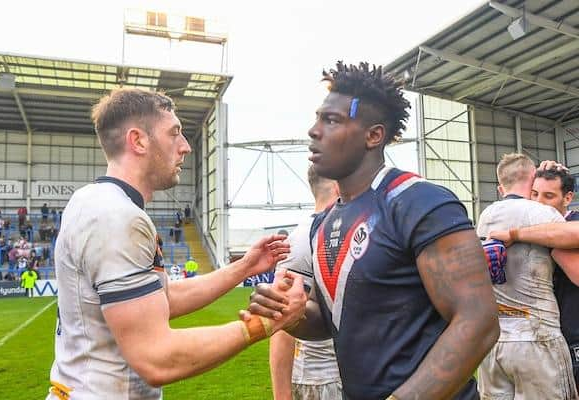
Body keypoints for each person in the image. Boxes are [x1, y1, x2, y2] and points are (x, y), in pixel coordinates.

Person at [247, 62, 499, 400]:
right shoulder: (322, 225)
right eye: (317, 118)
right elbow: (328, 321)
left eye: (331, 120)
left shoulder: (419, 202)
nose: (313, 130)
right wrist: (291, 314)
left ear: (373, 135)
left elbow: (478, 322)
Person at [46, 88, 306, 400]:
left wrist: (244, 267)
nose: (185, 148)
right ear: (138, 140)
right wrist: (264, 323)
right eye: (175, 134)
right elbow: (157, 358)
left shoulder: (91, 200)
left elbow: (159, 299)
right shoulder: (117, 217)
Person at [475, 153, 578, 399]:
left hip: (497, 340)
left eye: (548, 195)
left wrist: (516, 233)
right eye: (536, 193)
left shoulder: (487, 216)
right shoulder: (544, 217)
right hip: (538, 336)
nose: (540, 201)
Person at [270, 166, 342, 400]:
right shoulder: (303, 239)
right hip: (321, 381)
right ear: (337, 186)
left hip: (348, 373)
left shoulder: (340, 230)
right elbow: (282, 325)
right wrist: (282, 396)